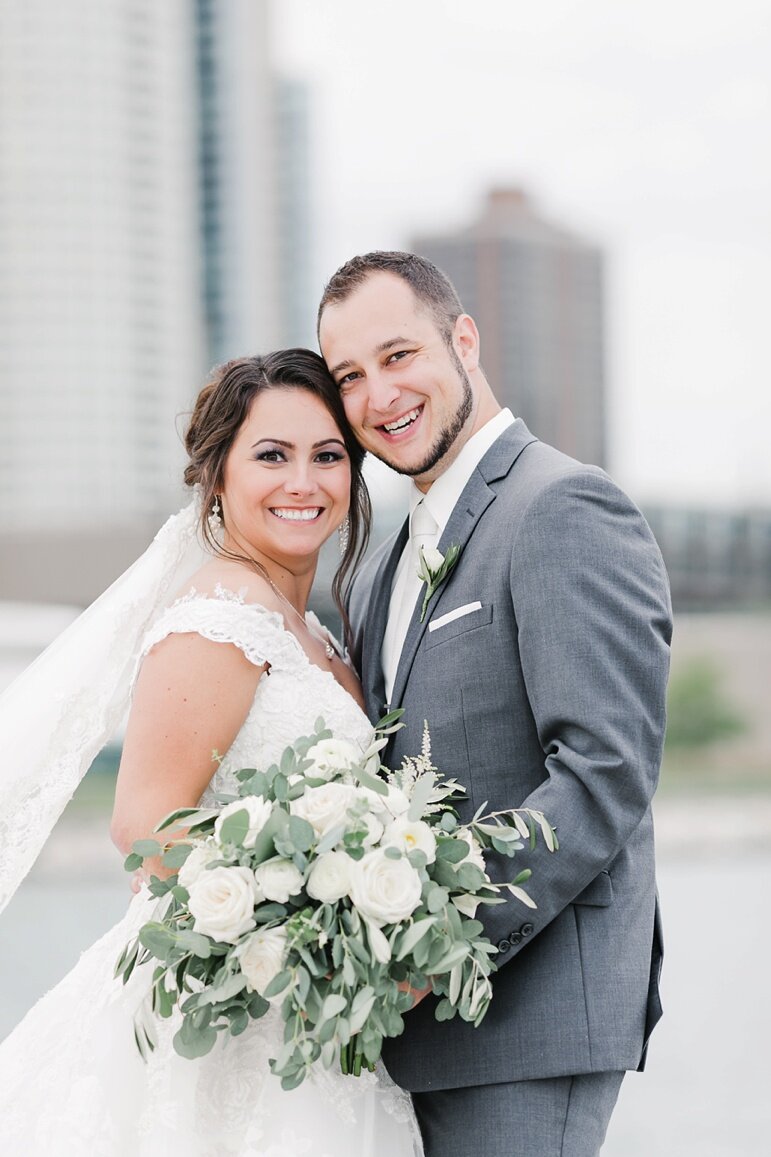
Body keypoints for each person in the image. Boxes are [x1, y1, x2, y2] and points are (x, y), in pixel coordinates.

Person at [0, 350, 422, 1155]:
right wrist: (320, 922)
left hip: (307, 1019)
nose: (303, 481)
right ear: (216, 475)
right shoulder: (221, 611)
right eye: (272, 455)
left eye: (327, 456)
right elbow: (147, 829)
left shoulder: (319, 636)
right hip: (219, 1022)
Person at [317, 251, 673, 1157]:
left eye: (398, 356)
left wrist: (433, 942)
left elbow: (602, 773)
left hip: (524, 1011)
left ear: (463, 339)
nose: (378, 394)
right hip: (412, 1034)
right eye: (350, 376)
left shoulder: (562, 507)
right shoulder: (382, 561)